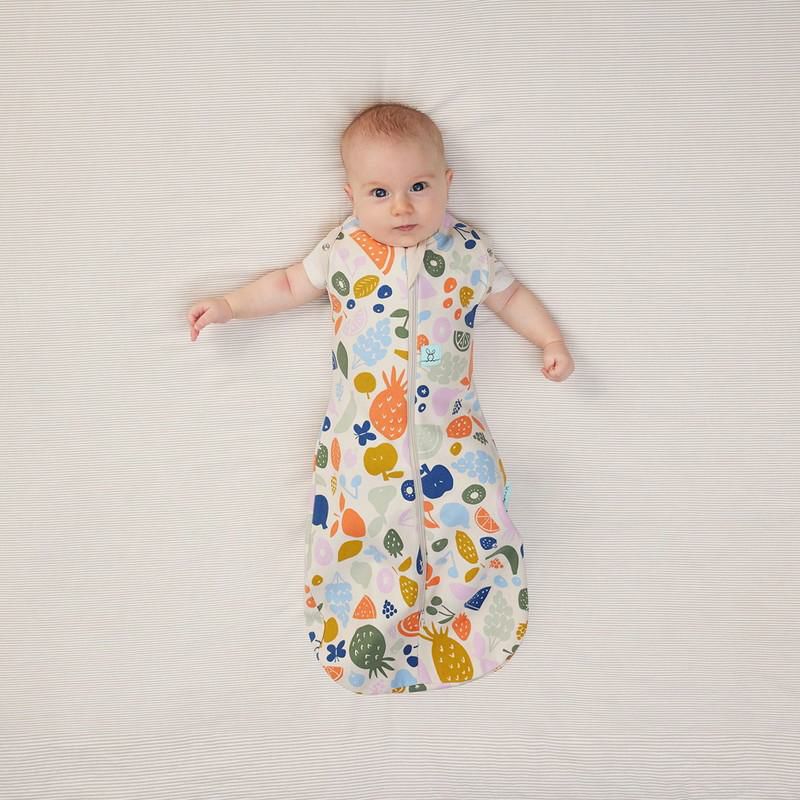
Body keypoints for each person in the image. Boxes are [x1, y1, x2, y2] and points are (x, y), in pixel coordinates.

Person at [187, 103, 574, 694]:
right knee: (364, 529)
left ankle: (471, 624)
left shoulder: (467, 249)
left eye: (419, 187)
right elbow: (288, 283)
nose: (402, 207)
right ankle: (366, 632)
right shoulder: (343, 247)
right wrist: (230, 306)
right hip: (362, 439)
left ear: (447, 182)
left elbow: (512, 296)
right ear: (351, 196)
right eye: (380, 192)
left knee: (474, 516)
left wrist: (549, 339)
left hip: (452, 430)